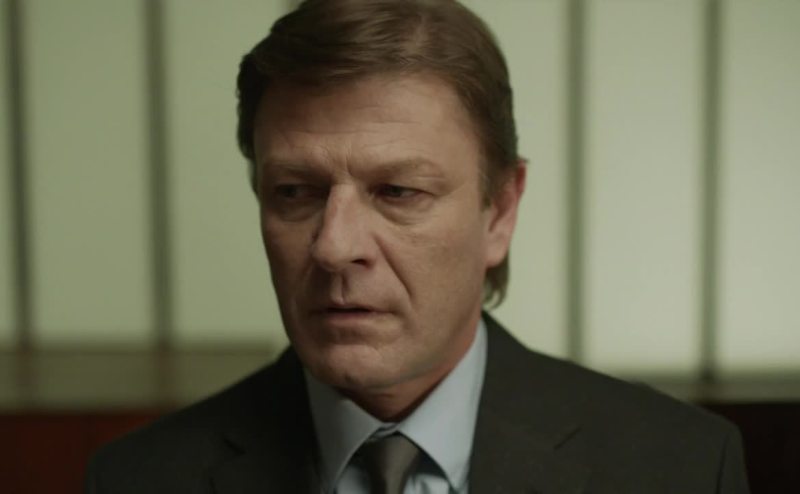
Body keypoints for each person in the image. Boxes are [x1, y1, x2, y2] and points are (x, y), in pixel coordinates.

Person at [86, 1, 750, 492]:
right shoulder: (139, 480)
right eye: (294, 191)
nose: (334, 247)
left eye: (398, 191)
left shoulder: (678, 468)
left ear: (500, 211)